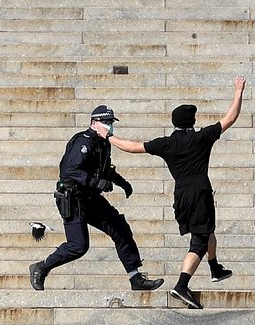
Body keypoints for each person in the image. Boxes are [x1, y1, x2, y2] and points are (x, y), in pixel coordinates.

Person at [109, 77, 247, 309]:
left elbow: (132, 147)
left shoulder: (166, 143)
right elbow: (231, 117)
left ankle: (214, 267)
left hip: (181, 194)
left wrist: (108, 135)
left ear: (174, 122)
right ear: (192, 121)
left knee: (205, 230)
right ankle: (182, 286)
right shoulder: (200, 138)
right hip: (200, 193)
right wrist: (238, 90)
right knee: (199, 241)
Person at [28, 105, 164, 291]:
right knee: (78, 246)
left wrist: (121, 182)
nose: (109, 126)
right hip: (73, 198)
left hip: (91, 198)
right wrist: (96, 183)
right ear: (94, 123)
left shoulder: (103, 143)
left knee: (121, 229)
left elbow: (105, 168)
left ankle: (135, 278)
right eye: (105, 122)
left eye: (110, 123)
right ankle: (41, 268)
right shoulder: (83, 142)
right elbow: (70, 171)